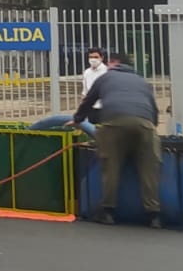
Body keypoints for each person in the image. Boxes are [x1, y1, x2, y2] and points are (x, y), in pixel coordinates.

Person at [67, 49, 162, 227]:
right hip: (146, 124)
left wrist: (77, 119)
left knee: (111, 167)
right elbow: (154, 110)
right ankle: (154, 215)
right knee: (149, 171)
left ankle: (108, 212)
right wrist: (149, 127)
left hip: (114, 123)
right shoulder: (142, 81)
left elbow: (88, 101)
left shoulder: (105, 78)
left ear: (113, 63)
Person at [81, 47, 108, 123]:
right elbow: (85, 92)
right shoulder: (87, 72)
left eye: (96, 57)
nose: (93, 59)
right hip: (91, 109)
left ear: (101, 58)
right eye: (90, 57)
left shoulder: (107, 71)